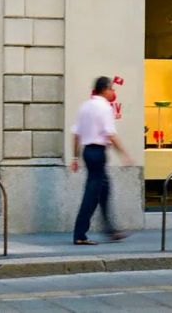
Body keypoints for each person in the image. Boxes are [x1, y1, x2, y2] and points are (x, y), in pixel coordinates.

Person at [70, 76, 132, 245]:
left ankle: (110, 230)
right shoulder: (104, 107)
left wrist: (75, 157)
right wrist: (124, 154)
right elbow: (110, 134)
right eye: (111, 88)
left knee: (104, 189)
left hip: (87, 152)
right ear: (104, 89)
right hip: (98, 153)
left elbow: (76, 134)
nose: (113, 92)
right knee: (91, 194)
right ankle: (80, 234)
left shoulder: (85, 106)